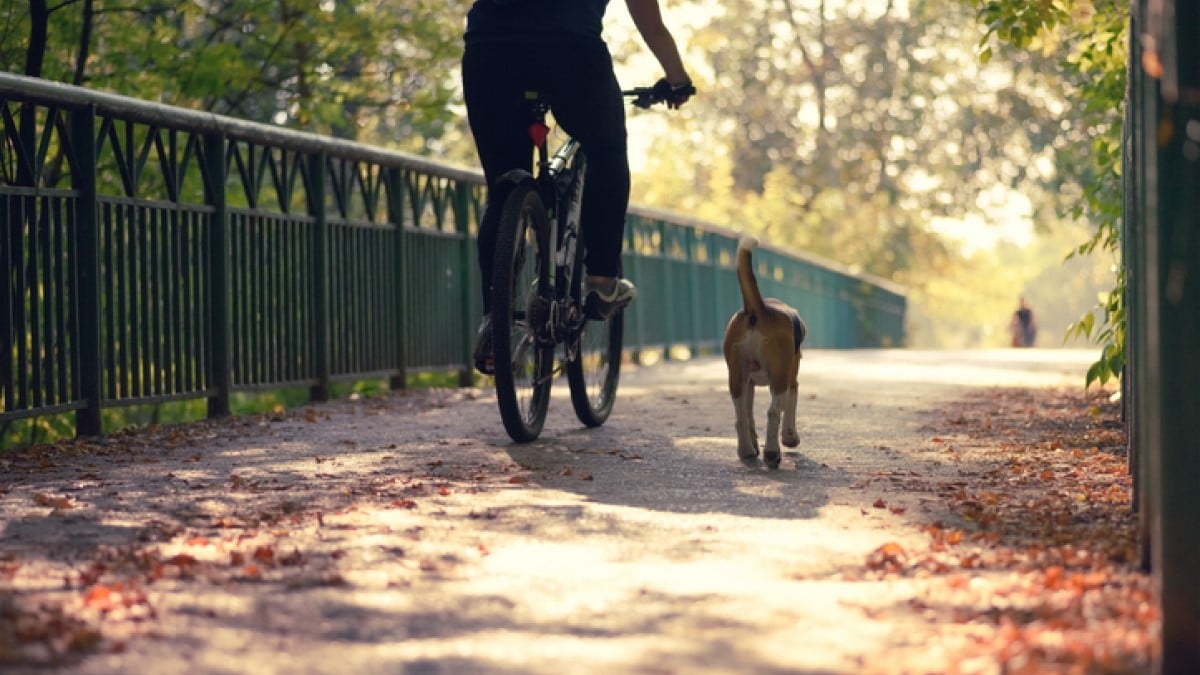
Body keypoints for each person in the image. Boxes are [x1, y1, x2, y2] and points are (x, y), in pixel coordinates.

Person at [462, 0, 694, 375]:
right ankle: (601, 280)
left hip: (490, 49)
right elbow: (652, 24)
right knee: (606, 150)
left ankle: (496, 323)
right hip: (570, 52)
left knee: (504, 188)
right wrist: (677, 80)